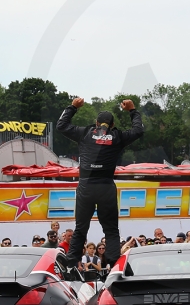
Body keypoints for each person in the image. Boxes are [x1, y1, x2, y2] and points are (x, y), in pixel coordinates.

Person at [56, 97, 144, 268]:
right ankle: (113, 263)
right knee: (111, 230)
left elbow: (61, 126)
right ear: (112, 125)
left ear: (96, 123)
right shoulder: (117, 136)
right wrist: (133, 110)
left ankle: (70, 261)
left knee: (81, 227)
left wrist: (73, 107)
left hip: (86, 185)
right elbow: (138, 130)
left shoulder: (84, 133)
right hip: (106, 186)